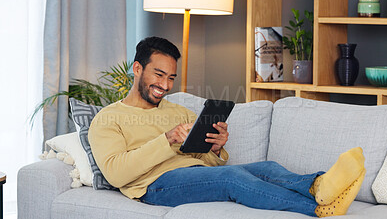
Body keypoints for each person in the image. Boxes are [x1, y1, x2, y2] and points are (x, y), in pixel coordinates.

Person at [88, 36, 366, 218]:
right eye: (158, 75)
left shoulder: (179, 110)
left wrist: (216, 148)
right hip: (154, 186)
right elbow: (116, 173)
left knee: (266, 168)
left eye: (171, 77)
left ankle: (320, 184)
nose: (165, 85)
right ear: (137, 68)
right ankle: (321, 209)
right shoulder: (109, 118)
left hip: (192, 174)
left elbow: (204, 162)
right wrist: (166, 139)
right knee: (232, 180)